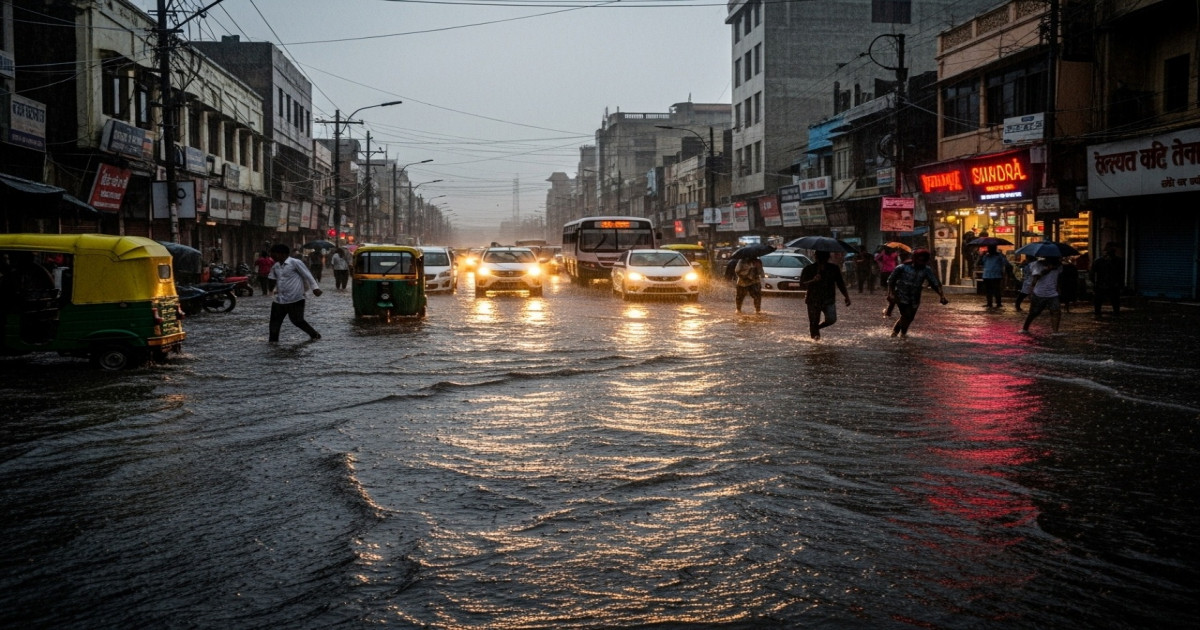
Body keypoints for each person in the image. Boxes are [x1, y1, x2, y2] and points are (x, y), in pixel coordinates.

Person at [887, 248, 948, 338]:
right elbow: (891, 281)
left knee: (910, 317)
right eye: (919, 260)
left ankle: (898, 333)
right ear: (915, 259)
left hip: (915, 297)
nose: (921, 262)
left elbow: (934, 283)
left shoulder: (926, 270)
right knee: (906, 315)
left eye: (923, 260)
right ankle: (899, 335)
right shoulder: (902, 267)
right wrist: (890, 294)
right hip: (900, 295)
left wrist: (941, 296)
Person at [267, 243, 323, 342]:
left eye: (273, 254)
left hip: (295, 299)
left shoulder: (295, 262)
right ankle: (273, 343)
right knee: (274, 324)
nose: (272, 256)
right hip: (279, 300)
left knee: (297, 321)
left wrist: (315, 288)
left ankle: (315, 335)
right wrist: (270, 288)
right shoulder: (276, 266)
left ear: (282, 254)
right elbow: (272, 278)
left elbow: (308, 275)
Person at [799, 250, 851, 340]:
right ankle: (815, 341)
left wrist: (846, 296)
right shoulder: (809, 269)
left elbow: (840, 283)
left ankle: (816, 329)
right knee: (814, 321)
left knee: (831, 319)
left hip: (828, 299)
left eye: (824, 257)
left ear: (827, 257)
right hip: (813, 299)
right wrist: (813, 280)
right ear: (816, 257)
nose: (822, 259)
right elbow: (802, 285)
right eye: (820, 257)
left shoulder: (833, 268)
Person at [1022, 257, 1063, 334]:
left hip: (1053, 293)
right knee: (1034, 312)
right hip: (1039, 293)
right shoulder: (1038, 264)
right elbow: (1036, 278)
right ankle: (1025, 328)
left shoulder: (1059, 266)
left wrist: (1058, 288)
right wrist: (1047, 269)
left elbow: (1058, 278)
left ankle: (1055, 331)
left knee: (1056, 311)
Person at [1090, 243, 1124, 318]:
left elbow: (1092, 273)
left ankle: (1098, 313)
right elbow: (1121, 274)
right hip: (1110, 284)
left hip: (1104, 284)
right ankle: (1114, 313)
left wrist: (1094, 283)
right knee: (1113, 301)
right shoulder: (1118, 261)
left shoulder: (1099, 261)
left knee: (1100, 301)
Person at [978, 244, 1012, 308]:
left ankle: (994, 303)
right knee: (993, 290)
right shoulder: (990, 256)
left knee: (993, 290)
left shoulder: (997, 256)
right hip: (991, 275)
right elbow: (1006, 263)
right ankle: (993, 303)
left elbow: (1006, 263)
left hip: (991, 275)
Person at [875, 246, 900, 316]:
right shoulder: (894, 255)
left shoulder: (884, 255)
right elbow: (898, 262)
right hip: (892, 271)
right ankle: (890, 297)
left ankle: (889, 296)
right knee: (892, 287)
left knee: (887, 287)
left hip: (885, 272)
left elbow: (876, 259)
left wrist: (882, 254)